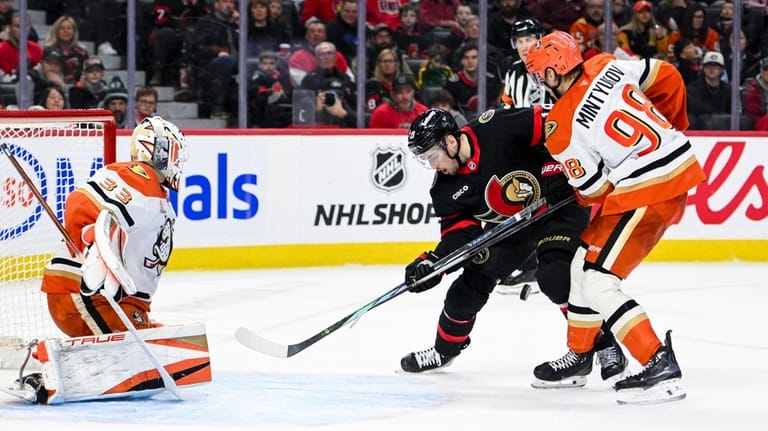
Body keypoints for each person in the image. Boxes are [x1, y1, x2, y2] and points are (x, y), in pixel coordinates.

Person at [525, 31, 705, 403]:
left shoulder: (559, 125)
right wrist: (669, 130)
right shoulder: (604, 64)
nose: (542, 82)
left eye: (542, 74)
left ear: (556, 71)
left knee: (598, 282)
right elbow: (666, 74)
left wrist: (576, 186)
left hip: (648, 188)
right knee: (579, 263)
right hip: (662, 173)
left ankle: (658, 363)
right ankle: (579, 355)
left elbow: (591, 191)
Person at [399, 107, 628, 385]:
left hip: (557, 205)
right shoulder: (445, 188)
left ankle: (603, 345)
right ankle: (443, 351)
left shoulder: (496, 126)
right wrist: (433, 264)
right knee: (466, 288)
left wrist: (555, 171)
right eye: (425, 161)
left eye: (432, 157)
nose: (433, 166)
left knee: (555, 276)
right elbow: (461, 237)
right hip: (514, 225)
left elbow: (556, 124)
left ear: (450, 141)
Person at [39, 116, 188, 338]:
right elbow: (80, 202)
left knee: (161, 344)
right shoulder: (138, 177)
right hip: (86, 294)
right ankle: (49, 369)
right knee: (139, 356)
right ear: (160, 151)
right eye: (175, 153)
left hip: (117, 301)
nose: (178, 162)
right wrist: (95, 245)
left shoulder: (156, 193)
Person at [499, 18, 556, 109]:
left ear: (539, 41)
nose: (524, 47)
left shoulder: (555, 68)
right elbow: (506, 107)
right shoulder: (513, 71)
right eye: (520, 42)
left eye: (528, 40)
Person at [686, 51, 732, 130]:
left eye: (716, 66)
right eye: (708, 66)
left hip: (723, 130)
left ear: (721, 70)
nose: (712, 69)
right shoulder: (692, 89)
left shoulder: (728, 89)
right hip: (700, 131)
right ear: (703, 68)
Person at [744, 57, 768, 130]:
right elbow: (753, 117)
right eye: (766, 69)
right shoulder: (753, 89)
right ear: (761, 71)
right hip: (760, 127)